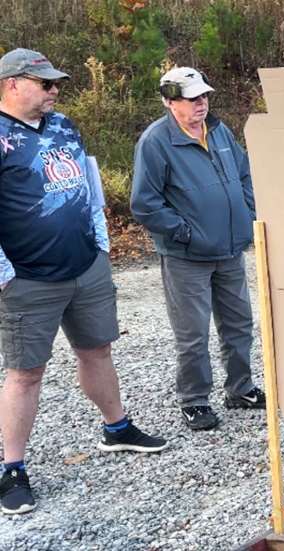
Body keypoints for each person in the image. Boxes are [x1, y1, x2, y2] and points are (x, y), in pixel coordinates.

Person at [0, 48, 167, 515]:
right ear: (13, 84)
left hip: (85, 266)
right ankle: (12, 467)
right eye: (45, 84)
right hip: (29, 277)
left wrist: (101, 244)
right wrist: (5, 275)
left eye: (56, 84)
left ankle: (117, 428)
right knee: (25, 373)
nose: (55, 91)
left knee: (97, 350)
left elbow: (87, 185)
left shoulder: (63, 125)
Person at [131, 67, 266, 430]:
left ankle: (241, 388)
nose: (201, 104)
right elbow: (144, 203)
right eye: (192, 99)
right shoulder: (156, 141)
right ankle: (194, 400)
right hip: (186, 256)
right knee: (192, 333)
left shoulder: (219, 130)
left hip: (230, 249)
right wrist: (185, 233)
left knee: (239, 324)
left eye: (204, 96)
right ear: (170, 101)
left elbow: (244, 172)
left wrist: (247, 210)